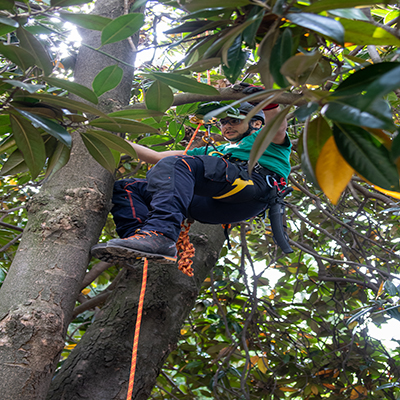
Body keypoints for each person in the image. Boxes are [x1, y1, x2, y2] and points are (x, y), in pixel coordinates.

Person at [91, 102, 291, 265]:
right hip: (209, 205)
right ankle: (139, 241)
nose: (227, 126)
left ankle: (161, 234)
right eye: (223, 122)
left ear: (256, 124)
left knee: (177, 165)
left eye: (235, 121)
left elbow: (277, 127)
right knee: (127, 187)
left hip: (251, 188)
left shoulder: (264, 138)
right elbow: (156, 156)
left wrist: (268, 101)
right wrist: (104, 137)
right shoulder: (213, 151)